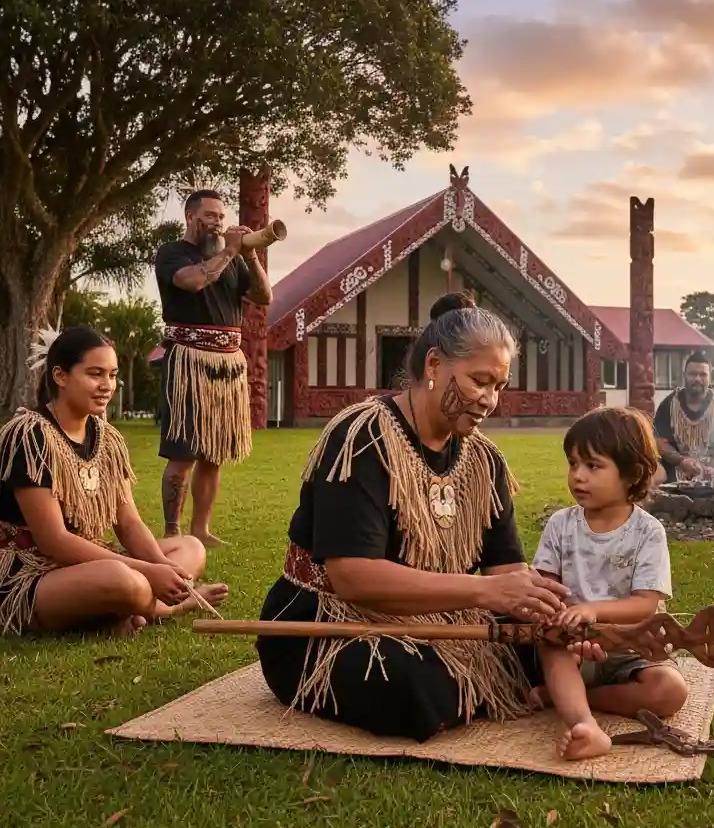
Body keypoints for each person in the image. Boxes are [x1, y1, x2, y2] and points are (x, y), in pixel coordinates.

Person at [256, 291, 593, 742]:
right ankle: (509, 686)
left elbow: (506, 570)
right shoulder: (362, 438)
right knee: (412, 686)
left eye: (499, 386)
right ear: (433, 366)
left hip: (443, 620)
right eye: (479, 381)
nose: (490, 400)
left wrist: (549, 616)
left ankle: (544, 681)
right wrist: (486, 592)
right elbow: (353, 577)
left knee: (549, 648)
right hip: (331, 622)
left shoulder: (485, 461)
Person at [0, 326, 227, 637]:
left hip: (89, 564)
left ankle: (122, 609)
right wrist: (150, 573)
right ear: (60, 376)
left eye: (112, 375)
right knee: (124, 580)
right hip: (33, 573)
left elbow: (129, 523)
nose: (107, 385)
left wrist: (165, 570)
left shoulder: (107, 439)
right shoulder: (29, 436)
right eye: (95, 374)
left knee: (190, 547)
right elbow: (55, 542)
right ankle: (167, 607)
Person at [529, 406, 687, 761]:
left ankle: (563, 697)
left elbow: (644, 604)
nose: (578, 477)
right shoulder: (561, 525)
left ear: (632, 473)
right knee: (553, 652)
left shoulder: (648, 532)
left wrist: (591, 612)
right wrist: (561, 618)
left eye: (593, 466)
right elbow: (546, 586)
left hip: (629, 647)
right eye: (573, 464)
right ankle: (585, 725)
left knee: (670, 691)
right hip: (572, 645)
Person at [154, 189, 272, 547]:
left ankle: (200, 530)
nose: (218, 222)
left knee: (214, 452)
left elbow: (264, 297)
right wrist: (230, 251)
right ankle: (173, 530)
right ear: (191, 217)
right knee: (183, 452)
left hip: (227, 365)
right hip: (188, 362)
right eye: (210, 215)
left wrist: (249, 256)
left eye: (221, 216)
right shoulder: (172, 254)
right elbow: (194, 281)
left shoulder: (235, 261)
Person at [652, 352, 714, 486]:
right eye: (692, 374)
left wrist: (712, 469)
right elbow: (660, 443)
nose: (697, 379)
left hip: (712, 466)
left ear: (710, 378)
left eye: (703, 374)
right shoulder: (669, 405)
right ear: (684, 376)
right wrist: (681, 461)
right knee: (655, 474)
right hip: (676, 465)